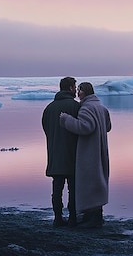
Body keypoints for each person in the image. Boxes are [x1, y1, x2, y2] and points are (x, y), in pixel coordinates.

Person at [60, 82, 112, 229]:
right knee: (98, 181)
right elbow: (108, 127)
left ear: (85, 92)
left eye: (80, 90)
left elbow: (85, 127)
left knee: (89, 181)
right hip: (100, 150)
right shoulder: (101, 107)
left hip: (89, 152)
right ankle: (95, 216)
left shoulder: (86, 108)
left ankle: (93, 218)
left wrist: (66, 119)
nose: (77, 93)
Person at [41, 76, 80, 227]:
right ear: (70, 88)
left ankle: (57, 217)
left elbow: (46, 128)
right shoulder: (75, 106)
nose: (76, 90)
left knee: (57, 188)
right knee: (73, 188)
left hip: (55, 152)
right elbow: (81, 127)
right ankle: (73, 218)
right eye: (75, 87)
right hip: (73, 152)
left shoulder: (49, 108)